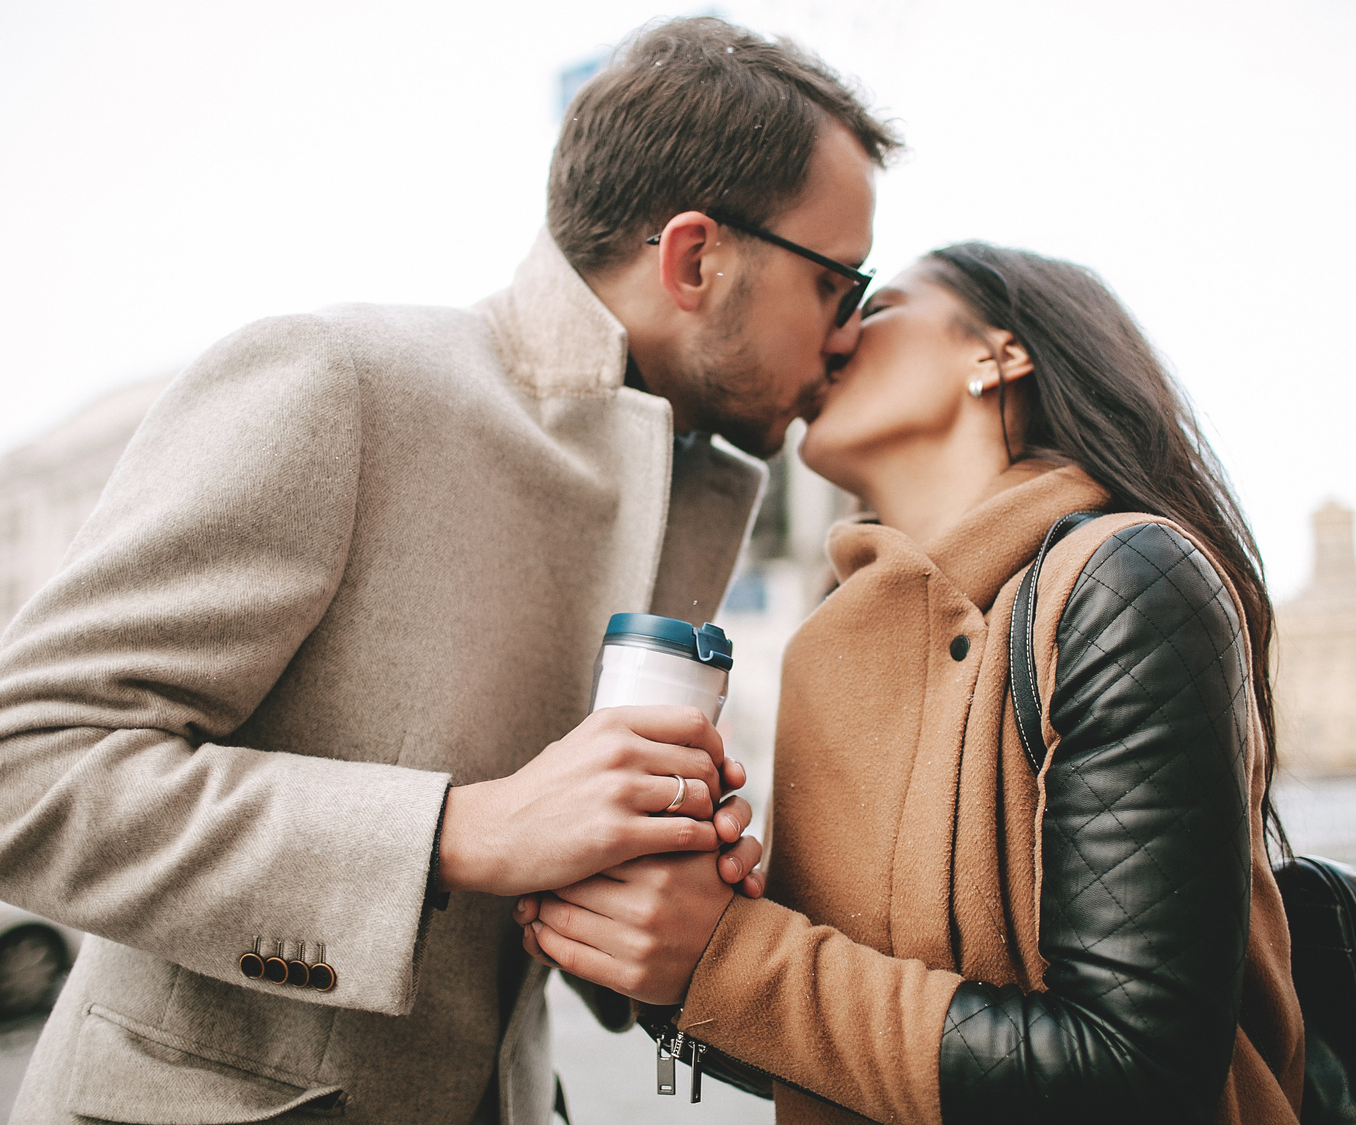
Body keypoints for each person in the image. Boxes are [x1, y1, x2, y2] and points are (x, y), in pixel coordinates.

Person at [0, 18, 901, 1125]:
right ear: (693, 257)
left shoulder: (688, 488)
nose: (846, 334)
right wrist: (458, 829)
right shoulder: (339, 382)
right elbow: (0, 781)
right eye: (838, 284)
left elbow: (527, 890)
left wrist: (652, 890)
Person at [518, 242, 1308, 1124]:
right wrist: (652, 948)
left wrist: (728, 954)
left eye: (880, 306)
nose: (838, 332)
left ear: (997, 353)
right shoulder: (837, 647)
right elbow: (845, 1053)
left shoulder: (1126, 578)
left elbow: (1138, 1076)